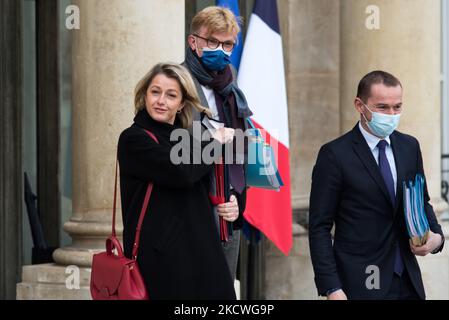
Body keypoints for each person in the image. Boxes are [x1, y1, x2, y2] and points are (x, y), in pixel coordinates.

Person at [308, 70, 445, 300]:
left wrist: (437, 238)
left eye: (397, 107)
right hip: (360, 282)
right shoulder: (334, 154)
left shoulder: (409, 147)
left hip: (408, 281)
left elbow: (421, 201)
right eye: (382, 107)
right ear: (360, 105)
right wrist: (332, 287)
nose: (391, 114)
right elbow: (319, 226)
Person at [118, 62, 237, 299]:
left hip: (203, 254)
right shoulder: (134, 139)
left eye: (171, 95)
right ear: (145, 95)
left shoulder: (188, 140)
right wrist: (216, 142)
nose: (161, 100)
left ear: (181, 103)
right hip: (162, 261)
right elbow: (181, 172)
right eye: (155, 92)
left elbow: (210, 186)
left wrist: (234, 205)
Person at [182, 6, 253, 282]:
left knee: (222, 293)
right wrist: (210, 140)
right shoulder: (176, 82)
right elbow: (168, 150)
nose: (220, 50)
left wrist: (237, 200)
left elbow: (238, 153)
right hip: (189, 212)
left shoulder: (231, 85)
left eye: (227, 44)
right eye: (212, 42)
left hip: (227, 213)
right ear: (194, 42)